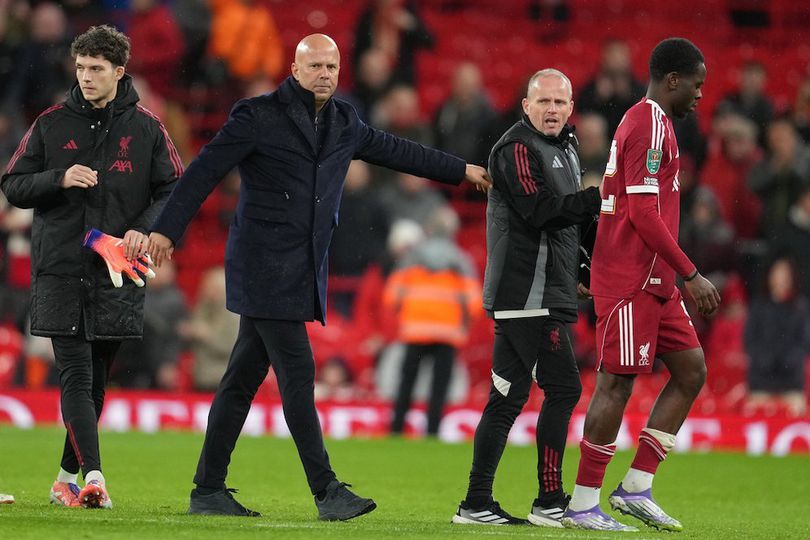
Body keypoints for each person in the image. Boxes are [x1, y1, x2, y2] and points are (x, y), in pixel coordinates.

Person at [147, 33, 491, 521]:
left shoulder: (344, 121)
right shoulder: (257, 115)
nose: (325, 74)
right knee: (298, 374)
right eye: (315, 66)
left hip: (302, 269)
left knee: (241, 380)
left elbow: (399, 151)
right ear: (295, 69)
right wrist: (166, 230)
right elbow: (203, 171)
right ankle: (326, 490)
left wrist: (462, 170)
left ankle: (207, 489)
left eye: (331, 66)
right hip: (263, 267)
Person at [0, 25, 181, 509]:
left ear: (119, 72)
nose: (85, 77)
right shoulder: (51, 123)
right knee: (77, 375)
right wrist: (58, 177)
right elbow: (12, 185)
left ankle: (64, 480)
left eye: (96, 69)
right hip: (61, 267)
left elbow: (173, 189)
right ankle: (95, 478)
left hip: (118, 269)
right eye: (80, 68)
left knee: (97, 381)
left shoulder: (147, 128)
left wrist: (143, 228)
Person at [561, 38, 720, 532]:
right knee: (616, 382)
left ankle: (635, 487)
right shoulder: (649, 123)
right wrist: (691, 274)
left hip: (656, 278)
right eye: (696, 84)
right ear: (673, 80)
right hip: (631, 276)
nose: (700, 94)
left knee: (691, 370)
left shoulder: (658, 122)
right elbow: (644, 214)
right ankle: (583, 504)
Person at [452, 69, 602, 527]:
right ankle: (550, 500)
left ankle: (476, 503)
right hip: (526, 293)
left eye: (559, 102)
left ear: (571, 107)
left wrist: (580, 267)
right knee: (564, 389)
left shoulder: (567, 147)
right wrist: (597, 199)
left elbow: (567, 224)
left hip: (542, 291)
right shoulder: (515, 148)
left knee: (507, 398)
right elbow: (538, 212)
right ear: (526, 106)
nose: (552, 109)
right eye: (543, 101)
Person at [384, 206, 482, 437]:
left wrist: (404, 313)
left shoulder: (412, 257)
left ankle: (397, 429)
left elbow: (391, 296)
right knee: (439, 387)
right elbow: (474, 303)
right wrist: (463, 321)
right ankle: (432, 431)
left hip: (415, 330)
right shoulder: (460, 260)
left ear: (429, 229)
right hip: (448, 333)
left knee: (407, 383)